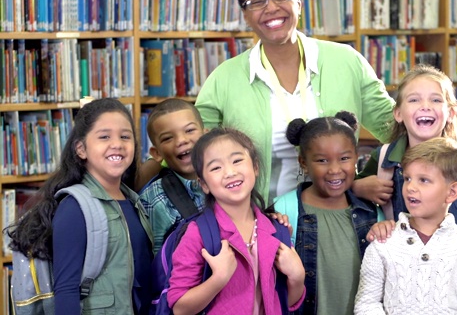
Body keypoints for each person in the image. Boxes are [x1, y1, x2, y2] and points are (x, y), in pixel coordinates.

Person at [194, 0, 395, 204]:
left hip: (341, 215)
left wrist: (359, 183)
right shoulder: (224, 79)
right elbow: (195, 151)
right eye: (257, 1)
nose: (271, 8)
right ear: (246, 15)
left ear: (299, 2)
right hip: (263, 224)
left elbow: (395, 129)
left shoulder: (346, 61)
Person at [7, 98, 153, 314]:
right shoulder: (75, 208)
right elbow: (66, 290)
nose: (117, 144)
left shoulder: (134, 201)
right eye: (104, 137)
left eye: (125, 136)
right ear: (81, 149)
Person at [355, 64, 457, 235]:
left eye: (436, 100)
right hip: (401, 258)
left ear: (451, 113)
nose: (425, 106)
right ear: (398, 113)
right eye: (414, 100)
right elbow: (347, 196)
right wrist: (358, 188)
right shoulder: (384, 158)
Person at [354, 137, 457, 314]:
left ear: (452, 192)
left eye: (423, 180)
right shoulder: (383, 242)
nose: (410, 187)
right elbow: (367, 303)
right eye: (408, 178)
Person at [167, 127, 306, 314]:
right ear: (204, 184)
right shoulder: (198, 233)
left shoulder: (275, 229)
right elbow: (179, 308)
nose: (230, 172)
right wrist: (218, 279)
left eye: (237, 160)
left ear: (255, 167)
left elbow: (283, 302)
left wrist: (297, 277)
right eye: (216, 167)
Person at [275, 112, 381, 314]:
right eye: (322, 161)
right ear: (303, 162)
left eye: (344, 158)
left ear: (356, 158)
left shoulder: (372, 214)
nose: (334, 169)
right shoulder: (284, 211)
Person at [139, 98, 207, 253]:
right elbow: (156, 265)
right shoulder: (156, 201)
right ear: (156, 154)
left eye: (189, 130)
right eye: (168, 138)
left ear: (206, 136)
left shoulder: (225, 180)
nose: (181, 140)